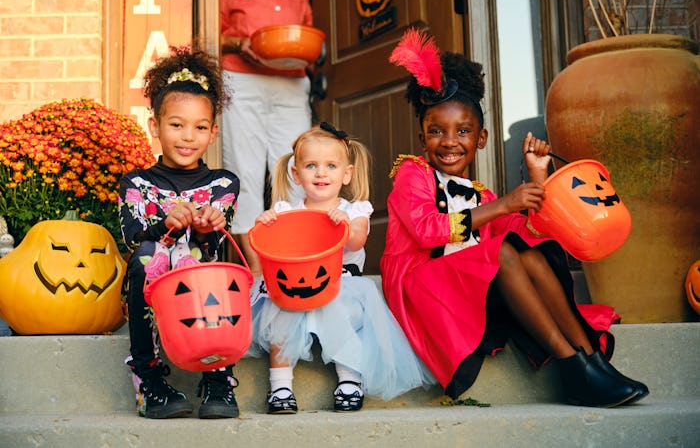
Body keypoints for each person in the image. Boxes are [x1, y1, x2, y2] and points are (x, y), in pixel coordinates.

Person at [380, 29, 649, 408]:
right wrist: (505, 204)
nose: (449, 141)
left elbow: (530, 235)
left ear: (482, 138)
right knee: (502, 253)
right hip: (420, 283)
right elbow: (428, 231)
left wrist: (536, 177)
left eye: (463, 131)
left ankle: (592, 360)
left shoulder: (480, 195)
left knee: (526, 253)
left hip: (470, 285)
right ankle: (571, 364)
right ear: (422, 138)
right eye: (436, 131)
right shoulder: (413, 175)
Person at [249, 123, 435, 414]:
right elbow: (268, 243)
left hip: (340, 285)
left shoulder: (354, 210)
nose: (321, 173)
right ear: (296, 174)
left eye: (331, 166)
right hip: (297, 286)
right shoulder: (288, 211)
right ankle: (280, 387)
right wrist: (268, 221)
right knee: (279, 313)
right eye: (311, 166)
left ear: (346, 173)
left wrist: (345, 227)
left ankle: (349, 381)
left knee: (343, 314)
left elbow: (358, 241)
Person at [119, 46, 242, 420]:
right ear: (154, 126)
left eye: (200, 127)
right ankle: (149, 380)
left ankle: (218, 375)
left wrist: (206, 230)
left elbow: (219, 243)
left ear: (213, 132)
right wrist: (165, 224)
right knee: (147, 254)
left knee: (207, 259)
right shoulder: (136, 182)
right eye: (176, 125)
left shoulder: (223, 183)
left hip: (201, 288)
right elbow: (132, 237)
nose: (188, 137)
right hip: (150, 289)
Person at [220, 0, 313, 275]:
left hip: (290, 82)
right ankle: (257, 270)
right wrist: (238, 43)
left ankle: (291, 260)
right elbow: (209, 33)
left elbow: (307, 32)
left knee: (295, 168)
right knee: (244, 168)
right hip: (242, 80)